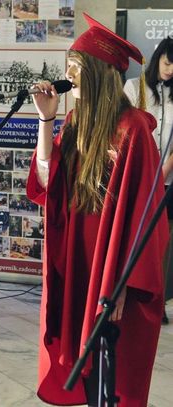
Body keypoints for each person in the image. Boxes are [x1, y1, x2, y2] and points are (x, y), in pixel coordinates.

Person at [26, 14, 169, 407]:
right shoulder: (75, 121)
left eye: (77, 66)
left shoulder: (133, 129)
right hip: (79, 255)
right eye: (68, 66)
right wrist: (45, 119)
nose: (68, 75)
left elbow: (146, 217)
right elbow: (48, 182)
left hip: (112, 263)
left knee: (110, 365)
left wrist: (123, 282)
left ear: (100, 73)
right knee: (81, 352)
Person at [124, 37, 173, 325]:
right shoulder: (135, 88)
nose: (170, 70)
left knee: (163, 241)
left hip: (167, 180)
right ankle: (128, 292)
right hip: (138, 177)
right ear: (157, 60)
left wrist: (165, 168)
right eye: (167, 63)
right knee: (134, 235)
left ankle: (159, 300)